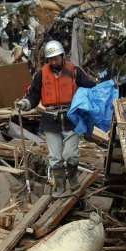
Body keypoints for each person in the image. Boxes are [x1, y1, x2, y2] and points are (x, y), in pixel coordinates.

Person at [16, 40, 97, 194]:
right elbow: (33, 94)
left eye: (56, 58)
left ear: (62, 56)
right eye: (51, 59)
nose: (54, 61)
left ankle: (73, 179)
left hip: (71, 119)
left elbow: (90, 87)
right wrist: (25, 103)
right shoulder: (41, 74)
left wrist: (102, 91)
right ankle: (60, 186)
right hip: (50, 120)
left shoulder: (74, 71)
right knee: (55, 157)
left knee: (70, 155)